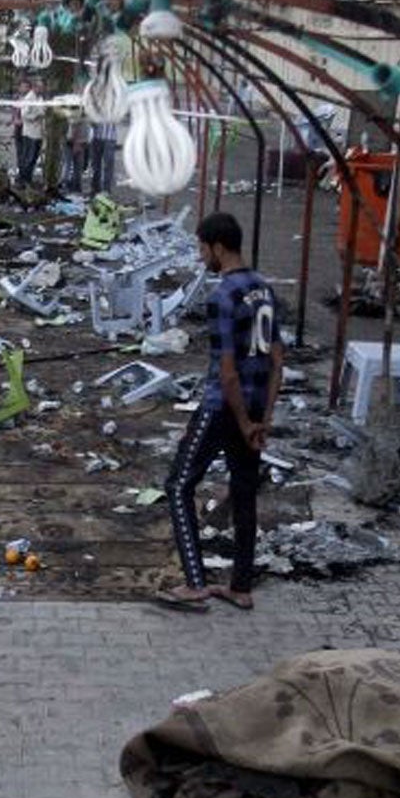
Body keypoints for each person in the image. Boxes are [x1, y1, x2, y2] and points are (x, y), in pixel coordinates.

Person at [153, 212, 282, 613]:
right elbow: (278, 357)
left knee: (178, 485)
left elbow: (226, 372)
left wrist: (242, 421)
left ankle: (196, 583)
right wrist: (264, 418)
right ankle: (240, 587)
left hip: (223, 408)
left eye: (201, 248)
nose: (200, 256)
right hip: (257, 404)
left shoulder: (222, 296)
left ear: (218, 247)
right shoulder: (264, 289)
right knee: (244, 492)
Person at [14, 84, 44, 189]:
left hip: (38, 132)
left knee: (34, 157)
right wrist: (35, 116)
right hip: (30, 132)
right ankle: (23, 179)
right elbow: (24, 114)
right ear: (35, 87)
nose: (42, 89)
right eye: (40, 86)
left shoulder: (39, 98)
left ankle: (28, 178)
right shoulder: (29, 98)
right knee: (28, 157)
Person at [89, 116, 118, 194]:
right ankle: (95, 188)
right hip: (96, 137)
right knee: (95, 164)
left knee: (108, 165)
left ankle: (106, 189)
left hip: (110, 137)